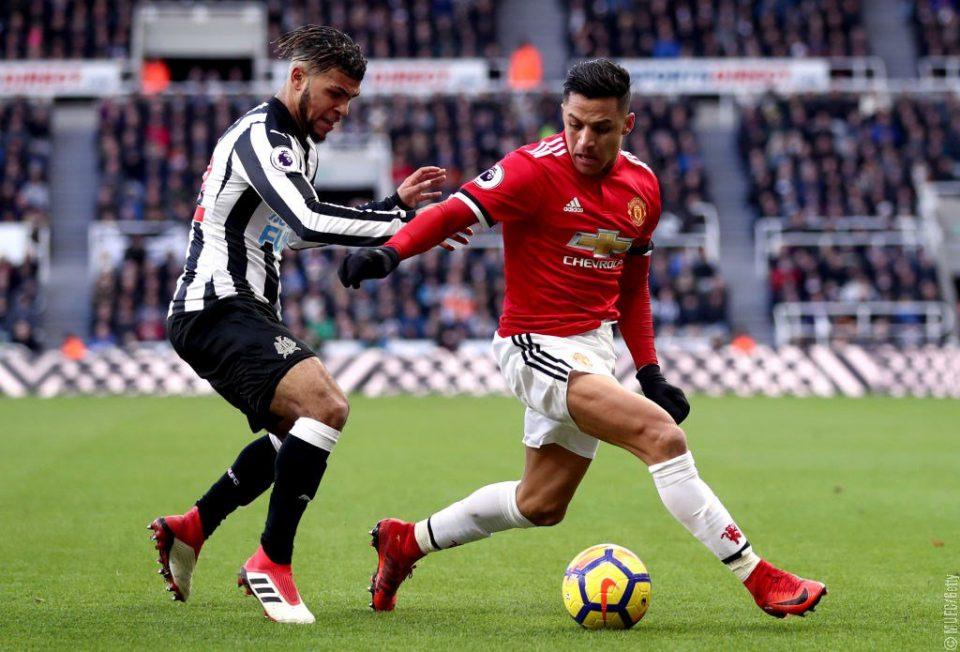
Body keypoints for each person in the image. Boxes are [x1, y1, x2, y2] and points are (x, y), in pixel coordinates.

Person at [339, 59, 826, 619]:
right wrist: (391, 252)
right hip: (533, 345)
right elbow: (454, 211)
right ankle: (759, 576)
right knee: (661, 437)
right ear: (562, 115)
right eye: (574, 124)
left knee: (541, 503)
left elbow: (633, 288)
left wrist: (650, 372)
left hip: (592, 348)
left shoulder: (642, 187)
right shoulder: (530, 169)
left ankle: (407, 541)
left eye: (600, 128)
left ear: (627, 124)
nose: (584, 140)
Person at [148, 25, 457, 625]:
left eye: (351, 99)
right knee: (325, 405)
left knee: (294, 433)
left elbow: (289, 232)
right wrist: (408, 226)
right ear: (297, 78)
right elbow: (309, 218)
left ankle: (193, 527)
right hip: (217, 305)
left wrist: (392, 209)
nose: (343, 109)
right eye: (335, 93)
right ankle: (272, 561)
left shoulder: (298, 146)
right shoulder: (261, 136)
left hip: (243, 309)